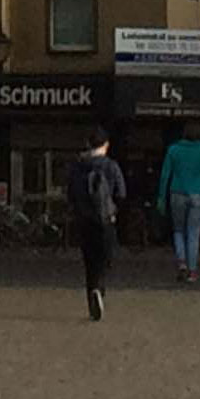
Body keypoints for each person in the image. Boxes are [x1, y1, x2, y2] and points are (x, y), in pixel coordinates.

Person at [66, 126, 127, 321]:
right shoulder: (111, 166)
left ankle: (92, 293)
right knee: (105, 257)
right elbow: (121, 193)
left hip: (84, 220)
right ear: (106, 145)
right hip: (105, 219)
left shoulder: (77, 166)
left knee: (89, 261)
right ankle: (99, 288)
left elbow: (70, 194)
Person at [157, 120, 200, 283]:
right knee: (194, 233)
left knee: (178, 230)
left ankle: (181, 262)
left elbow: (165, 175)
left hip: (177, 192)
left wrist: (161, 197)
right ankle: (193, 271)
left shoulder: (173, 150)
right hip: (198, 193)